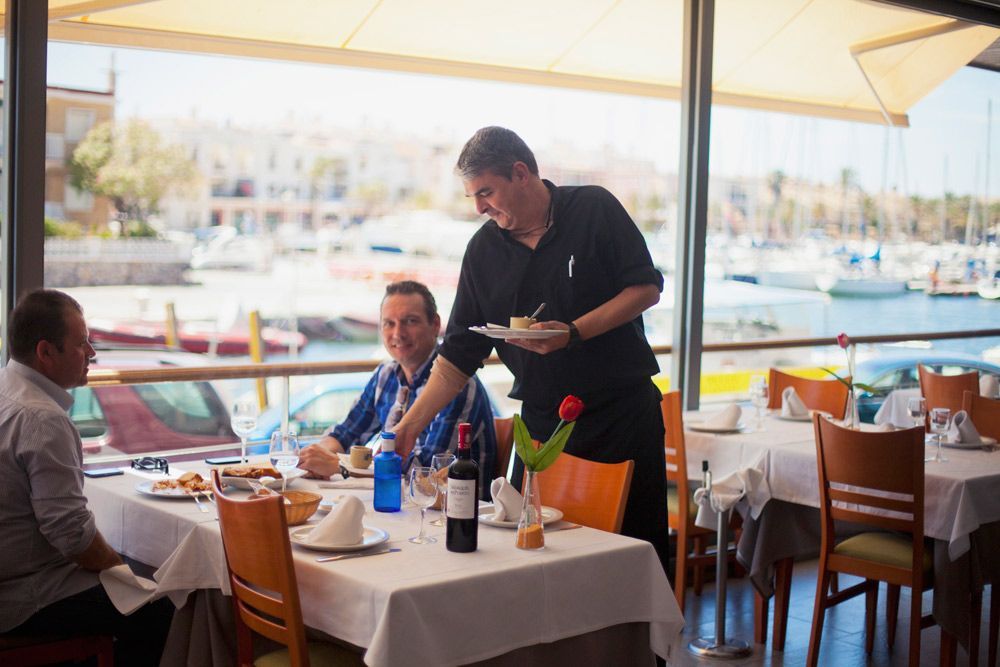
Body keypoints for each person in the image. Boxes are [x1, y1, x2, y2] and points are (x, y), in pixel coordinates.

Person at [393, 127, 670, 568]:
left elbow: (645, 289)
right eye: (473, 198)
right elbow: (459, 354)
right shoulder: (483, 249)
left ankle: (645, 640)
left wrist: (573, 332)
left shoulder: (594, 208)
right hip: (541, 426)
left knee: (633, 556)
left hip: (621, 416)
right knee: (535, 560)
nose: (481, 207)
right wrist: (409, 426)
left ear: (520, 173)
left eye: (486, 192)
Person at [0, 289, 173, 665]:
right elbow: (71, 535)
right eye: (82, 344)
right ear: (46, 352)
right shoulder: (41, 418)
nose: (92, 354)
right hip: (22, 596)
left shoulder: (5, 390)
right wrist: (124, 573)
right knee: (158, 606)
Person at [298, 281, 496, 495]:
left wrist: (340, 466)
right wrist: (318, 456)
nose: (398, 333)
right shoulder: (385, 375)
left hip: (456, 515)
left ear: (435, 324)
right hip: (404, 505)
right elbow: (346, 434)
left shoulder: (456, 384)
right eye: (389, 323)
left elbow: (425, 474)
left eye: (410, 321)